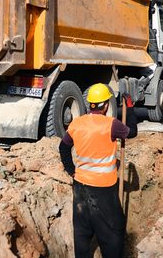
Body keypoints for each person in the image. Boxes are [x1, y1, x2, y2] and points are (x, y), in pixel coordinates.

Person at [59, 83, 138, 258]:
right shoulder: (112, 125)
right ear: (106, 105)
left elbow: (63, 148)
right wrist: (130, 107)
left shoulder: (76, 124)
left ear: (89, 104)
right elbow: (132, 132)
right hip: (104, 190)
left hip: (80, 187)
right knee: (112, 233)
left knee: (82, 233)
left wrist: (72, 171)